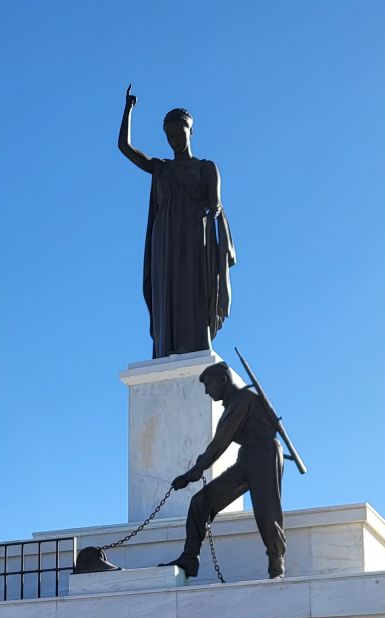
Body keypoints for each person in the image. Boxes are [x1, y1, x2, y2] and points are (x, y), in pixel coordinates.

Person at [119, 87, 235, 359]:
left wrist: (215, 211)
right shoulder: (160, 168)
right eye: (169, 135)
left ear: (190, 131)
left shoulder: (206, 167)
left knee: (193, 289)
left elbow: (216, 203)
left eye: (178, 133)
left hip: (195, 235)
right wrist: (128, 110)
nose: (174, 139)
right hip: (165, 239)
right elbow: (125, 147)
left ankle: (196, 343)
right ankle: (167, 345)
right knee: (167, 291)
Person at [161, 363, 286, 579]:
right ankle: (189, 558)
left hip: (264, 454)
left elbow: (219, 443)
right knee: (200, 502)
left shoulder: (243, 399)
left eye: (209, 385)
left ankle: (276, 564)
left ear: (223, 380)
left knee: (267, 511)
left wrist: (192, 474)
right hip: (247, 456)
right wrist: (197, 468)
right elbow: (217, 443)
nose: (207, 391)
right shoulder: (232, 405)